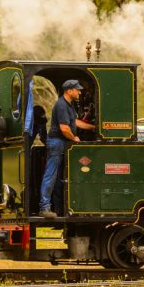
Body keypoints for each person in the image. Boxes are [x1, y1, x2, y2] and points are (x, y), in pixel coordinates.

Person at [38, 79, 95, 218]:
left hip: (62, 142)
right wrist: (74, 138)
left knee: (59, 177)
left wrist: (94, 127)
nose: (80, 92)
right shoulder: (61, 105)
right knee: (50, 175)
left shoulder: (69, 105)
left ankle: (58, 208)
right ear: (69, 91)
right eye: (77, 89)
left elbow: (75, 122)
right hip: (57, 142)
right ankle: (44, 208)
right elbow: (64, 128)